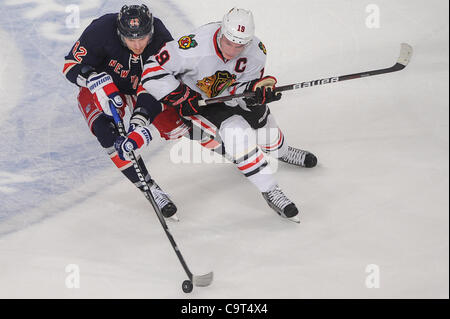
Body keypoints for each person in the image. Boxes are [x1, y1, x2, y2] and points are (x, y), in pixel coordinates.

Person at [115, 8, 318, 223]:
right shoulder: (192, 46)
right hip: (200, 102)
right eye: (229, 43)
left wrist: (257, 89)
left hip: (233, 94)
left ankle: (282, 151)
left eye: (239, 45)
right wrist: (181, 95)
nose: (232, 50)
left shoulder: (257, 50)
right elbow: (151, 72)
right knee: (236, 133)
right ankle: (270, 190)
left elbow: (245, 84)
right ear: (221, 32)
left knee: (264, 124)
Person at [63, 4, 189, 218]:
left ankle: (236, 155)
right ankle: (150, 189)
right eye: (131, 39)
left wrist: (139, 119)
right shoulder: (101, 29)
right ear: (120, 34)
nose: (138, 45)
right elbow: (70, 65)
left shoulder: (161, 37)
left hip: (146, 89)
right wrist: (92, 79)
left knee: (181, 125)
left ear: (150, 31)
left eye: (143, 38)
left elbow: (162, 81)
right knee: (106, 134)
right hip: (106, 90)